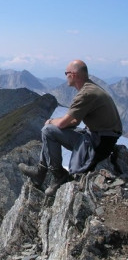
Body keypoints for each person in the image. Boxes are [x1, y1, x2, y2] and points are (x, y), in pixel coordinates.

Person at [19, 59, 122, 196]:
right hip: (103, 138)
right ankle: (40, 171)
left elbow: (63, 124)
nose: (65, 76)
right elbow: (74, 121)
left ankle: (58, 175)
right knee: (50, 131)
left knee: (48, 131)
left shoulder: (85, 94)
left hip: (98, 142)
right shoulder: (92, 88)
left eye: (66, 73)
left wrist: (51, 121)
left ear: (73, 75)